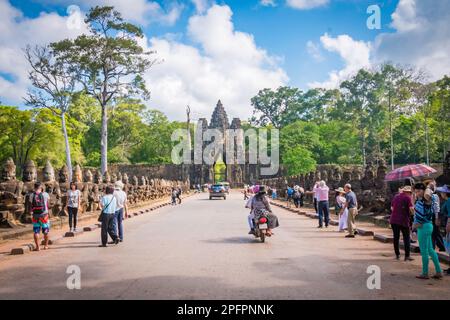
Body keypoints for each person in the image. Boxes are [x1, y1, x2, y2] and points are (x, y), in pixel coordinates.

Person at [413, 183, 442, 280]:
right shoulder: (421, 200)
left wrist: (427, 187)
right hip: (427, 226)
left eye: (419, 191)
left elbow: (428, 194)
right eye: (416, 191)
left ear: (423, 190)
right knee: (430, 250)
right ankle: (439, 271)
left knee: (424, 251)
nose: (417, 193)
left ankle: (425, 273)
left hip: (424, 227)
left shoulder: (427, 198)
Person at [389, 186, 415, 261]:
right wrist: (413, 214)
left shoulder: (396, 196)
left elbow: (392, 208)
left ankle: (397, 255)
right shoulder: (408, 198)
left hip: (394, 220)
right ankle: (407, 256)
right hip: (403, 220)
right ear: (408, 192)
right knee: (406, 238)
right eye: (410, 193)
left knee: (396, 238)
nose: (411, 194)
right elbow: (411, 209)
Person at [426, 181, 446, 252]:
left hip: (434, 215)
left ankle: (433, 248)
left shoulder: (434, 196)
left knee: (434, 232)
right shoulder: (431, 196)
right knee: (436, 232)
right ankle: (442, 247)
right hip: (432, 215)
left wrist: (437, 218)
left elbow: (436, 208)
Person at [30, 182, 50, 251]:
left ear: (34, 187)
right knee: (46, 231)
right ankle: (46, 246)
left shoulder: (32, 195)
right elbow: (48, 204)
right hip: (44, 215)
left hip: (35, 215)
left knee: (36, 231)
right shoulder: (45, 194)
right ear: (41, 187)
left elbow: (30, 205)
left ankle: (38, 247)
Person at [436, 185, 450, 275]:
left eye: (442, 192)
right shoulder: (447, 201)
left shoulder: (448, 201)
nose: (441, 193)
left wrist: (448, 226)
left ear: (445, 193)